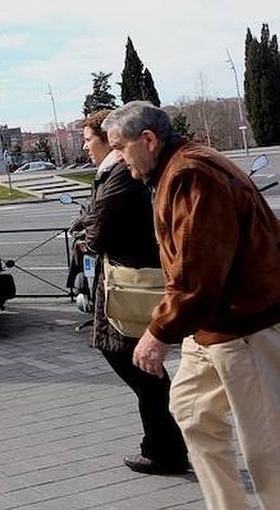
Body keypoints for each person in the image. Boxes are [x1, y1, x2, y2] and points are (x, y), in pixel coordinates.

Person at [103, 101, 280, 508]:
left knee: (266, 447)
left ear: (147, 140)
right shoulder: (175, 168)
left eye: (119, 146)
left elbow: (198, 268)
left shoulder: (189, 173)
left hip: (243, 325)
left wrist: (157, 332)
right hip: (212, 325)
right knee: (192, 412)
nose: (116, 156)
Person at [75, 110, 188, 475]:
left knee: (143, 369)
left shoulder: (121, 174)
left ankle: (167, 448)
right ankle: (165, 444)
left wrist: (86, 233)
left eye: (88, 139)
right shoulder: (116, 172)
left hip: (131, 284)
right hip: (122, 282)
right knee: (144, 371)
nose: (84, 146)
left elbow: (97, 231)